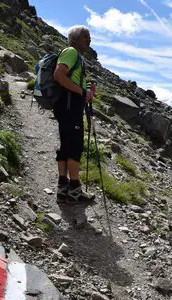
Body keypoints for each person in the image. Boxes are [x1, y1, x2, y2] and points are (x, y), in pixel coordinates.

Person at [53, 25, 95, 204]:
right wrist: (80, 91)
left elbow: (68, 80)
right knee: (74, 147)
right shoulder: (71, 52)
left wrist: (86, 93)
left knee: (65, 146)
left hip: (67, 105)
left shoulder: (75, 56)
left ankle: (63, 189)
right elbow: (59, 75)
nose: (90, 41)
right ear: (77, 39)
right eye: (87, 38)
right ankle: (75, 192)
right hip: (70, 107)